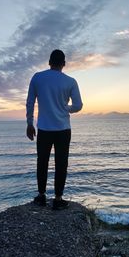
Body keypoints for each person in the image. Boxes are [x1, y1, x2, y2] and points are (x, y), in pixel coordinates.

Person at [26, 49, 83, 210]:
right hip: (63, 129)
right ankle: (58, 199)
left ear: (49, 62)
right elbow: (78, 105)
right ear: (64, 64)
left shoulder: (38, 77)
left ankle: (42, 196)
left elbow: (30, 102)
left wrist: (30, 123)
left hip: (43, 128)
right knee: (61, 163)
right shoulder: (70, 81)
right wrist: (66, 109)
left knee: (42, 162)